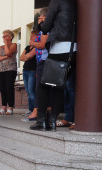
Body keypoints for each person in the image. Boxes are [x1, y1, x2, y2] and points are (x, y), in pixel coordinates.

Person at [30, 0, 77, 132]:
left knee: (43, 85)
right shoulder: (75, 4)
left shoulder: (57, 2)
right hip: (73, 48)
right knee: (58, 86)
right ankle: (52, 121)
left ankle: (42, 122)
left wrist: (41, 23)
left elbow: (46, 27)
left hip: (59, 48)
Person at [25, 8, 50, 123]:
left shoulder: (46, 29)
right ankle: (42, 111)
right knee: (40, 87)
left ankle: (36, 112)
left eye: (40, 16)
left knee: (39, 88)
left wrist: (33, 43)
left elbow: (42, 45)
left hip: (45, 61)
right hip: (41, 61)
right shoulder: (42, 29)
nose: (39, 18)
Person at [0, 30, 18, 115]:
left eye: (5, 36)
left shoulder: (13, 45)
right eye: (3, 36)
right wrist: (5, 57)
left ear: (10, 37)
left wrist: (7, 44)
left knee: (9, 88)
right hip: (1, 70)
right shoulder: (1, 47)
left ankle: (10, 107)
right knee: (2, 89)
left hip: (10, 69)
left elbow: (8, 52)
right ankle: (4, 106)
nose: (3, 38)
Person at [20, 31, 37, 121]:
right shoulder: (27, 47)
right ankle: (31, 109)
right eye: (30, 35)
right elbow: (21, 57)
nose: (31, 37)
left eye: (33, 36)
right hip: (25, 70)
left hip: (32, 71)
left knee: (31, 91)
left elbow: (28, 57)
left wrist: (26, 56)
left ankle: (34, 111)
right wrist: (26, 56)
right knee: (28, 91)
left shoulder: (37, 47)